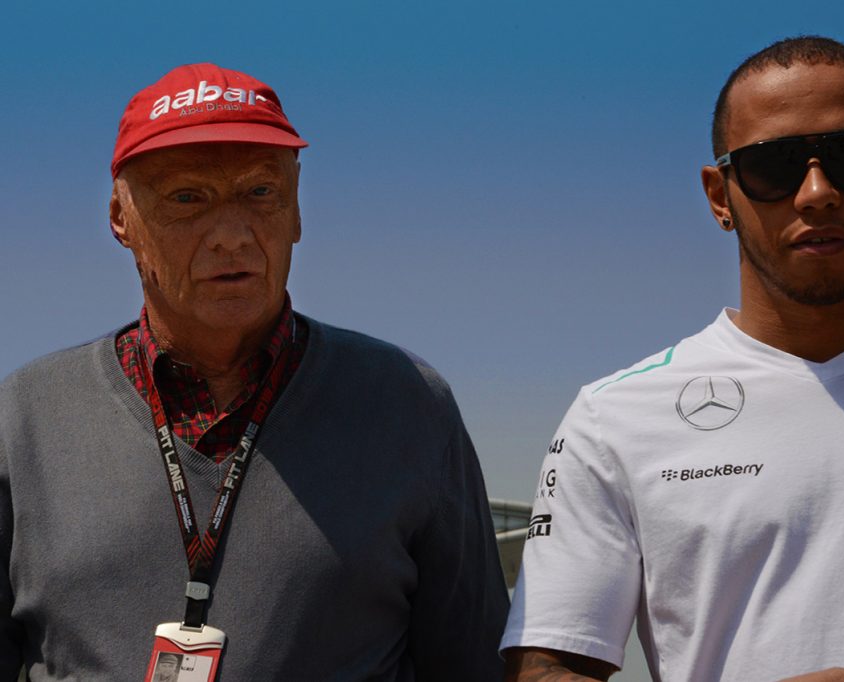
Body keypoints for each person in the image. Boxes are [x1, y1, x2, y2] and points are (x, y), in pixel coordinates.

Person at [501, 36, 844, 681]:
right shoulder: (613, 419)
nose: (816, 193)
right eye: (772, 168)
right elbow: (546, 672)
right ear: (719, 195)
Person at [0, 63, 508, 680]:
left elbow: (474, 662)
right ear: (120, 219)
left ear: (296, 212)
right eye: (189, 198)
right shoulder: (24, 418)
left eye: (260, 193)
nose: (233, 235)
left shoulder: (408, 404)